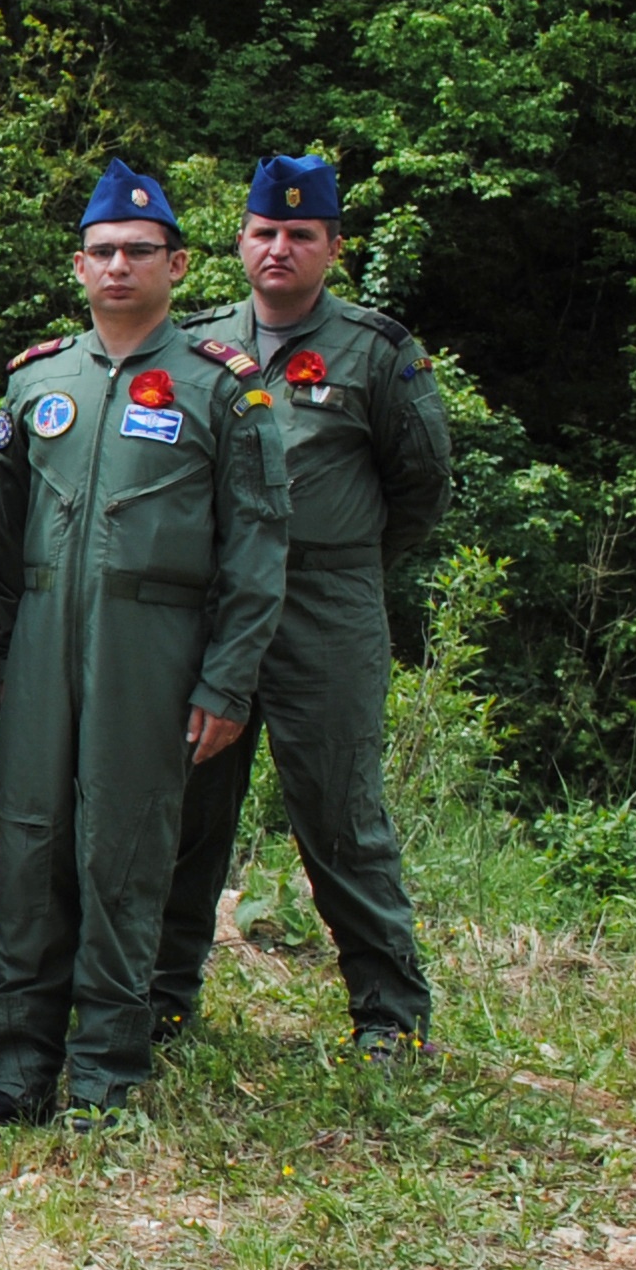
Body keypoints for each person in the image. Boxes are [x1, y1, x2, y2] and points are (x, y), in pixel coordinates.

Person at [0, 161, 288, 1126]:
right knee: (30, 851)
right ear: (79, 265)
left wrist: (229, 683)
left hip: (151, 653)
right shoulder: (39, 380)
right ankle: (15, 1069)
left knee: (123, 850)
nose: (119, 267)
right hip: (41, 650)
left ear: (178, 265)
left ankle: (106, 1074)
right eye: (102, 252)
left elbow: (258, 543)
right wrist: (3, 655)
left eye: (138, 252)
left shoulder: (221, 388)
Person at [152, 153, 453, 1060]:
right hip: (216, 606)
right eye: (265, 232)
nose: (280, 248)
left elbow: (423, 490)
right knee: (190, 809)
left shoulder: (377, 352)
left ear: (333, 248)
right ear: (239, 242)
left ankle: (389, 1015)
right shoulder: (197, 344)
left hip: (328, 607)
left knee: (339, 813)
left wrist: (335, 559)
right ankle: (165, 999)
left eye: (301, 235)